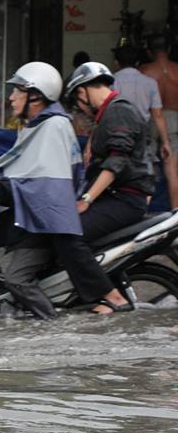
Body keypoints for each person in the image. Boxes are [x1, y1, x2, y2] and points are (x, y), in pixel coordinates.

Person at [0, 62, 129, 318]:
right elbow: (22, 171)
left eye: (17, 91)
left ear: (36, 95)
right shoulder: (35, 125)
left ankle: (51, 324)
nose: (11, 97)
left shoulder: (53, 126)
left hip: (45, 218)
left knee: (16, 278)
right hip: (28, 211)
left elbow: (47, 188)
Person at [67, 61, 155, 313]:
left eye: (78, 99)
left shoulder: (118, 111)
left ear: (83, 91)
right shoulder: (107, 114)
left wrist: (86, 199)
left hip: (125, 199)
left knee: (71, 234)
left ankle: (109, 296)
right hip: (119, 197)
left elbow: (117, 160)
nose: (80, 107)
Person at [112, 45, 173, 175]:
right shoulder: (150, 83)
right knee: (144, 175)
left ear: (116, 63)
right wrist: (166, 142)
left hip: (117, 136)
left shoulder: (112, 82)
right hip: (142, 137)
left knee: (117, 174)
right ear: (138, 63)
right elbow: (157, 115)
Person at [140, 35, 178, 210]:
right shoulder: (177, 69)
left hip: (151, 119)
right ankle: (175, 213)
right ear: (169, 49)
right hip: (174, 120)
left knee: (146, 169)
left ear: (149, 51)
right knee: (173, 171)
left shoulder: (144, 70)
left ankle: (142, 212)